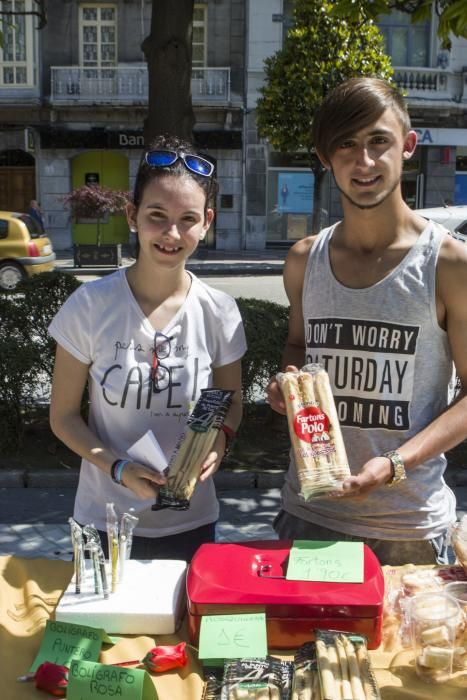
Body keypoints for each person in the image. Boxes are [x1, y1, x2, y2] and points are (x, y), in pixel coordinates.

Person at [266, 77, 467, 566]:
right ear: (324, 157)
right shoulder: (303, 260)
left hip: (409, 529)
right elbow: (298, 346)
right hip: (310, 514)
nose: (364, 161)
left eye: (379, 141)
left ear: (408, 145)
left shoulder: (448, 264)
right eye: (346, 145)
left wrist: (395, 465)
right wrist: (288, 387)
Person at [49, 135, 246, 561]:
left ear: (207, 221)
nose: (172, 234)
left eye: (188, 219)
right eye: (157, 216)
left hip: (191, 521)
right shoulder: (90, 305)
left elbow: (231, 403)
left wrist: (220, 442)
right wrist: (118, 467)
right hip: (105, 522)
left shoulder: (219, 311)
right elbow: (63, 417)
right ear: (132, 214)